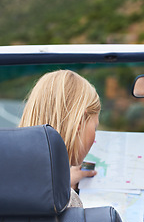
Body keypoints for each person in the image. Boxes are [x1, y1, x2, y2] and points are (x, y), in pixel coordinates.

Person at [19, 69, 100, 207]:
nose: (95, 135)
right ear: (79, 122)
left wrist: (61, 182)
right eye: (95, 128)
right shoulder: (68, 201)